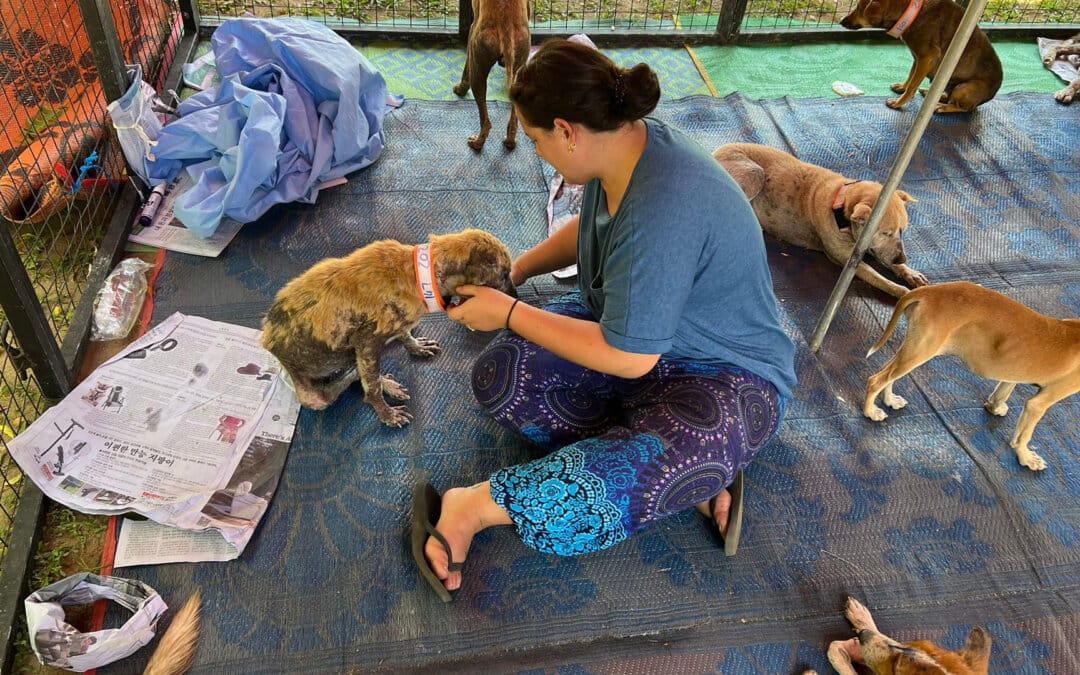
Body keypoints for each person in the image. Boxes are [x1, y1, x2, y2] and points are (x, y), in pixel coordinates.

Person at [412, 39, 797, 601]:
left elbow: (628, 356)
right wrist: (516, 272)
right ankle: (679, 457)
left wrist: (512, 313)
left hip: (723, 371)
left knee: (582, 501)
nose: (538, 151)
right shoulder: (623, 149)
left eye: (538, 138)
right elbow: (592, 224)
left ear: (567, 131)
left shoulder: (666, 208)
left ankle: (468, 508)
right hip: (630, 334)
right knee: (502, 380)